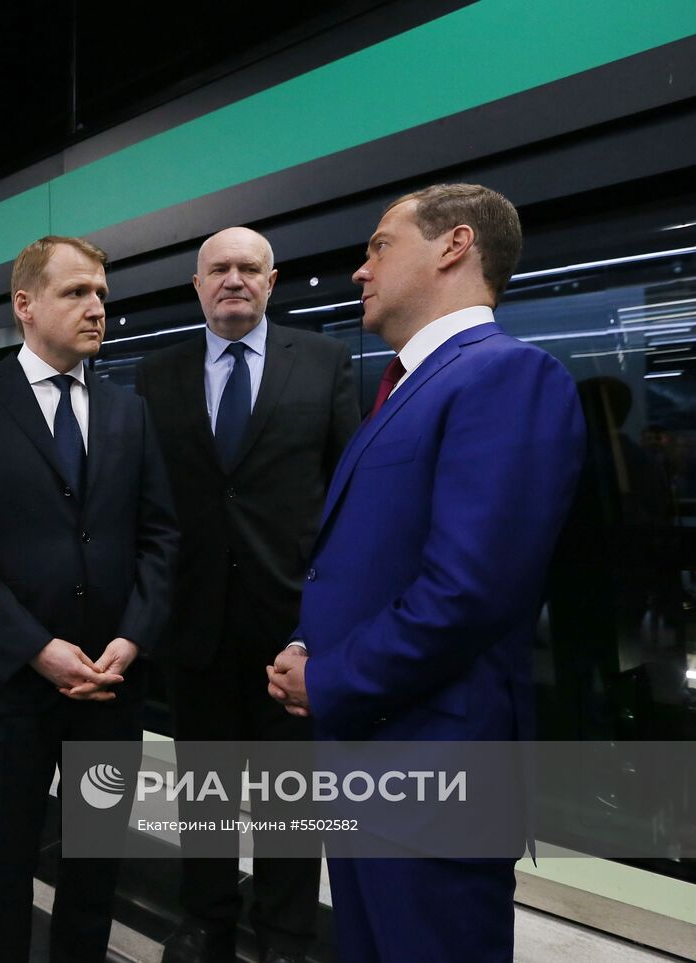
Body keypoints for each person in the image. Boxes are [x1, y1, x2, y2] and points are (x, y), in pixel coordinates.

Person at [267, 184, 585, 961]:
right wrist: (311, 645)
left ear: (454, 245)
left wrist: (329, 679)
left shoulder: (508, 376)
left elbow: (466, 593)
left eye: (378, 245)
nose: (359, 270)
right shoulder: (408, 387)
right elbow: (377, 560)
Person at [0, 235, 179, 961]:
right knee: (4, 869)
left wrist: (134, 636)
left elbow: (161, 534)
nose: (98, 307)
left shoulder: (129, 412)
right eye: (77, 293)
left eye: (101, 292)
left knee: (96, 867)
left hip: (111, 686)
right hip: (8, 689)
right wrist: (35, 647)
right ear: (24, 305)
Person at [135, 226, 358, 962]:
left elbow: (349, 499)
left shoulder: (324, 362)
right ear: (197, 285)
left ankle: (287, 935)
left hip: (291, 628)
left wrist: (327, 625)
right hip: (192, 626)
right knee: (203, 790)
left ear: (272, 280)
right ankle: (207, 922)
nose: (233, 279)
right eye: (218, 269)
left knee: (289, 798)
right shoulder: (156, 375)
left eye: (248, 268)